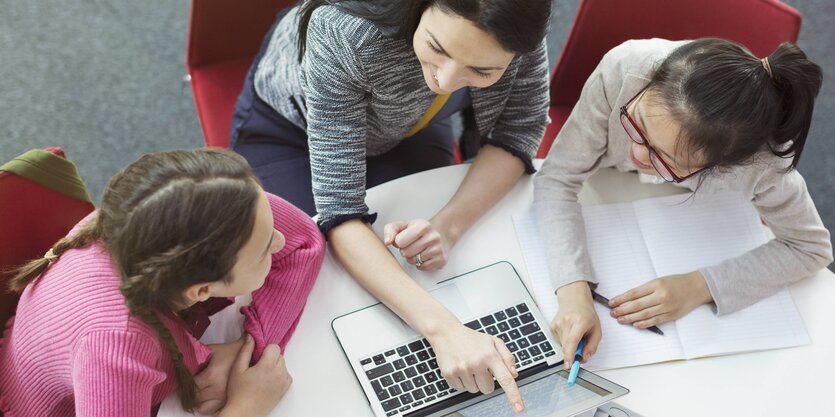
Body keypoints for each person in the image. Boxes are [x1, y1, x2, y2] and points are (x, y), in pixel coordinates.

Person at [231, 0, 552, 411]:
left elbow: (518, 130)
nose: (447, 80)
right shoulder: (346, 32)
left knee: (419, 276)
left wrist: (446, 228)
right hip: (288, 132)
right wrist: (445, 332)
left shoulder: (518, 26)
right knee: (312, 285)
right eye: (438, 46)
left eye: (482, 71)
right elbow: (338, 208)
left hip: (408, 127)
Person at [534, 38, 833, 371]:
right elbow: (556, 178)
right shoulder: (626, 71)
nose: (637, 153)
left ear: (723, 167)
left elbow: (812, 248)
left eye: (666, 159)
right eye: (636, 124)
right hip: (605, 188)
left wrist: (700, 286)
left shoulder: (762, 164)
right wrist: (573, 289)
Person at [0, 149, 326, 417]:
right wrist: (247, 407)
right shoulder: (115, 343)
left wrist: (249, 349)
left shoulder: (187, 208)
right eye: (264, 250)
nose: (280, 242)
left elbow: (303, 240)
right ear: (200, 291)